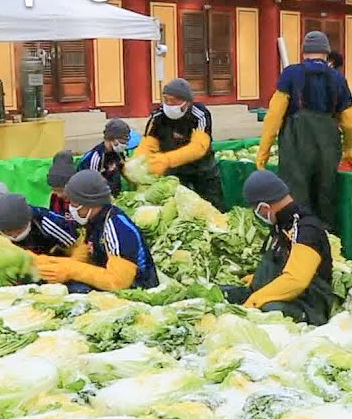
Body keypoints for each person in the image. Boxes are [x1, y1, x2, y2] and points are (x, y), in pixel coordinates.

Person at [256, 30, 352, 231]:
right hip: (328, 147)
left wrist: (263, 153)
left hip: (296, 146)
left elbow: (274, 116)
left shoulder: (291, 74)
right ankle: (326, 242)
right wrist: (348, 150)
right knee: (325, 196)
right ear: (327, 53)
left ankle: (297, 241)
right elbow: (349, 124)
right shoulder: (338, 79)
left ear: (304, 53)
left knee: (296, 197)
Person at [221, 170, 336, 324]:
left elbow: (296, 281)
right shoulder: (280, 225)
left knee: (268, 310)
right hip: (279, 295)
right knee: (221, 293)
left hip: (307, 303)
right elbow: (277, 261)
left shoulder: (306, 230)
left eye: (255, 208)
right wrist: (255, 280)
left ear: (264, 207)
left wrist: (255, 300)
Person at [33, 169, 156, 292]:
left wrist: (72, 270)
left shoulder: (117, 228)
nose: (71, 208)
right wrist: (55, 264)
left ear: (89, 202)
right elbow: (86, 252)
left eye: (74, 203)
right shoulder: (94, 222)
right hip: (106, 283)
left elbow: (118, 282)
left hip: (137, 290)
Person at [135, 78, 224, 210]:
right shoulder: (158, 117)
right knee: (177, 209)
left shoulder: (200, 115)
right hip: (174, 173)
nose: (170, 104)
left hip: (202, 169)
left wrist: (167, 159)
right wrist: (136, 164)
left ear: (187, 102)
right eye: (166, 100)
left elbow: (199, 147)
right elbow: (148, 145)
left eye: (175, 101)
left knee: (212, 207)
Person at [78, 118, 131, 196]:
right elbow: (92, 184)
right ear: (112, 139)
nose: (125, 144)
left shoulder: (118, 153)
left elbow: (123, 170)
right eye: (123, 140)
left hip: (114, 195)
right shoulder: (96, 157)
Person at [46, 150, 75, 217]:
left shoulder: (80, 202)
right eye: (54, 190)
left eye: (61, 190)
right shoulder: (55, 198)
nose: (59, 195)